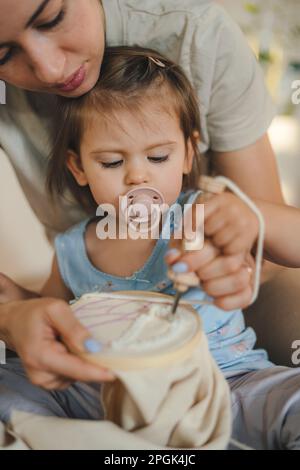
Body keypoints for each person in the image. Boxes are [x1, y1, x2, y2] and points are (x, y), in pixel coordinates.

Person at [2, 46, 300, 450]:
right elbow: (55, 322)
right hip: (106, 395)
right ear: (79, 168)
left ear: (187, 153)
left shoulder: (203, 214)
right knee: (11, 384)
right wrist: (21, 304)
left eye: (158, 156)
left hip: (227, 384)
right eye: (111, 163)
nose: (137, 176)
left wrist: (254, 218)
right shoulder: (72, 247)